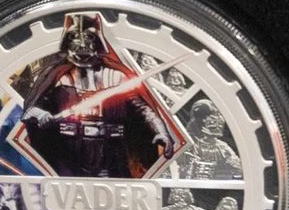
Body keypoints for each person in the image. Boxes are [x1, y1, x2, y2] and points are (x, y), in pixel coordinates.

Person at [15, 13, 181, 178]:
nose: (81, 43)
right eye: (74, 36)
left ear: (98, 40)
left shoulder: (117, 77)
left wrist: (161, 131)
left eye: (88, 36)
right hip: (71, 152)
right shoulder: (59, 78)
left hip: (111, 152)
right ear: (67, 41)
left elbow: (144, 110)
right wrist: (42, 115)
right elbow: (31, 110)